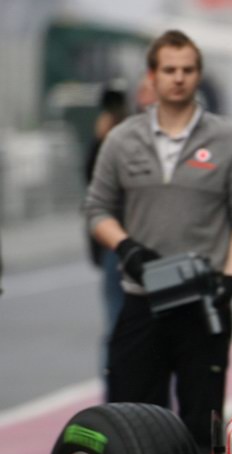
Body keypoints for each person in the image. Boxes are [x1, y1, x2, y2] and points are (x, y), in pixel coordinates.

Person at [83, 29, 232, 451]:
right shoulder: (122, 139)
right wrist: (127, 248)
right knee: (132, 425)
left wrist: (231, 279)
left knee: (203, 427)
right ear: (153, 76)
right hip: (141, 299)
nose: (178, 78)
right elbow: (96, 210)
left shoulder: (228, 141)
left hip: (203, 303)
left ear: (198, 75)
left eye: (187, 70)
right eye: (169, 70)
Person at [86, 77, 159, 359]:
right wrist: (99, 140)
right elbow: (92, 186)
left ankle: (158, 400)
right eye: (141, 91)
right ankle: (113, 400)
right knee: (117, 326)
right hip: (117, 245)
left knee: (163, 329)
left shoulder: (152, 130)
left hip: (154, 239)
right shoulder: (110, 135)